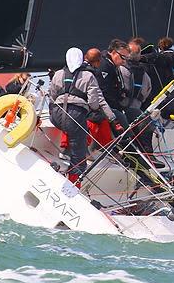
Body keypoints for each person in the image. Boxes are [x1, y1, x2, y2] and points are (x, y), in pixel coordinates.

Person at [49, 48, 121, 184]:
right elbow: (95, 102)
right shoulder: (88, 76)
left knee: (73, 127)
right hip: (75, 116)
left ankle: (64, 150)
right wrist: (94, 110)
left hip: (56, 116)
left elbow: (52, 95)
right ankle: (73, 184)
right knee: (79, 157)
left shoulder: (58, 74)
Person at [97, 39, 129, 129]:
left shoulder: (114, 66)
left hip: (116, 103)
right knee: (120, 117)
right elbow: (105, 91)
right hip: (105, 107)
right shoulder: (104, 66)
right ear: (114, 53)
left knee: (134, 113)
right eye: (123, 58)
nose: (124, 62)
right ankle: (125, 141)